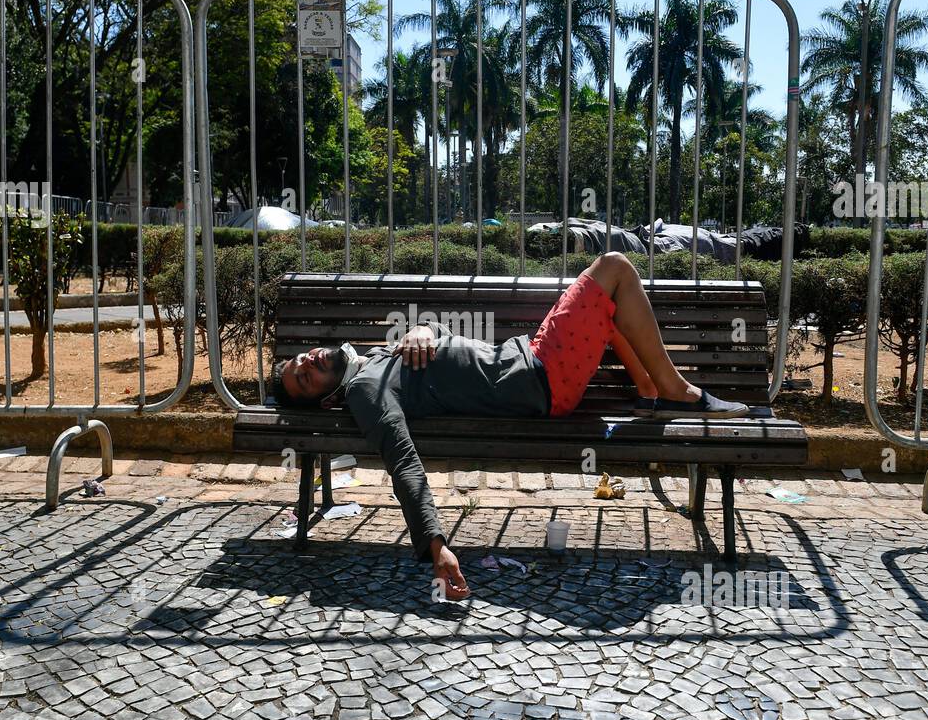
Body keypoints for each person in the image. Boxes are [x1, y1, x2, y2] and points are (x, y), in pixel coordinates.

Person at [273, 252, 749, 601]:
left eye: (301, 361)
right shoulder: (365, 391)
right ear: (328, 397)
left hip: (533, 361)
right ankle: (673, 389)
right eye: (304, 379)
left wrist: (426, 331)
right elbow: (404, 463)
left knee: (607, 295)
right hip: (540, 377)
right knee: (615, 268)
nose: (307, 363)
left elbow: (441, 345)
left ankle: (651, 388)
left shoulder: (372, 361)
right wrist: (437, 548)